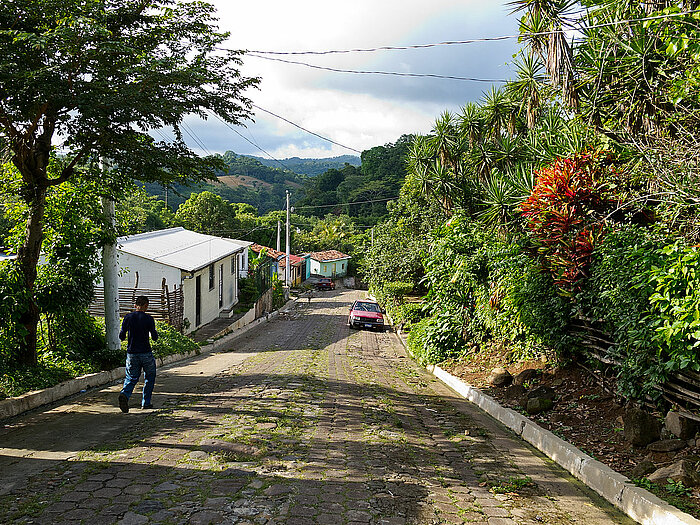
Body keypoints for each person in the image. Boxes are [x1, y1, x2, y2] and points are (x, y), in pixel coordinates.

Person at [118, 295, 158, 413]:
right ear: (146, 306)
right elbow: (155, 337)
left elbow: (121, 335)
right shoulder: (149, 318)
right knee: (149, 377)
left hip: (132, 353)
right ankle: (146, 403)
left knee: (131, 377)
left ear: (135, 305)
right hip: (146, 352)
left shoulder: (128, 317)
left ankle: (125, 394)